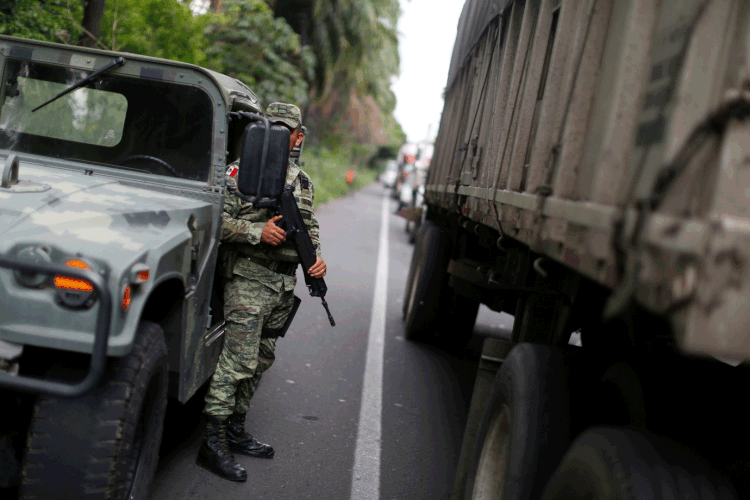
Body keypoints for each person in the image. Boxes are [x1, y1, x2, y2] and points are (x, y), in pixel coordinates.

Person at [197, 102, 327, 482]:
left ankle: (235, 429)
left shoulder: (302, 182)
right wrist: (257, 232)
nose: (279, 135)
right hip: (248, 278)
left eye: (286, 130)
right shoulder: (239, 171)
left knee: (261, 359)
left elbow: (310, 228)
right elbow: (213, 219)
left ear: (298, 137)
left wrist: (317, 260)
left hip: (283, 283)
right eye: (272, 127)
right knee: (237, 361)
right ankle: (213, 441)